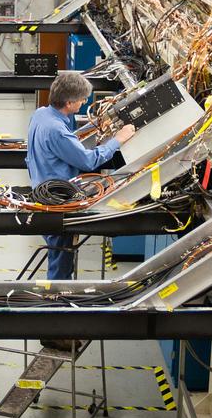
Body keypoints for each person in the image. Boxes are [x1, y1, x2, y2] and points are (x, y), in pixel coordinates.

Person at [26, 71, 136, 283]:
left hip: (42, 189)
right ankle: (57, 302)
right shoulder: (56, 129)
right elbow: (88, 162)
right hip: (58, 200)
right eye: (82, 100)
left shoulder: (42, 114)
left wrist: (95, 130)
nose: (84, 103)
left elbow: (67, 142)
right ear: (68, 102)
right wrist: (118, 140)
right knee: (61, 256)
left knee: (59, 252)